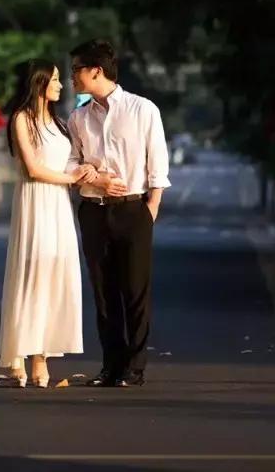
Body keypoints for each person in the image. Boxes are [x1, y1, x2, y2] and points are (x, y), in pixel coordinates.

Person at [0, 59, 114, 388]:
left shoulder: (61, 123)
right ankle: (22, 351)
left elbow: (74, 161)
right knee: (31, 275)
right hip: (35, 202)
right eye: (56, 80)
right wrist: (70, 177)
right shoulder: (22, 119)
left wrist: (89, 173)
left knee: (54, 276)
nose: (61, 85)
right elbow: (33, 169)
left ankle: (42, 356)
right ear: (40, 82)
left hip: (60, 207)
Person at [69, 39, 171, 388]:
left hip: (133, 209)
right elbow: (72, 161)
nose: (71, 77)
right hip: (93, 212)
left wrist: (150, 209)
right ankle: (110, 366)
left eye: (76, 70)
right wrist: (94, 178)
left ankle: (134, 368)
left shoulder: (143, 110)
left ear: (95, 71)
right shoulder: (78, 116)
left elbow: (157, 164)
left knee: (135, 292)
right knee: (103, 294)